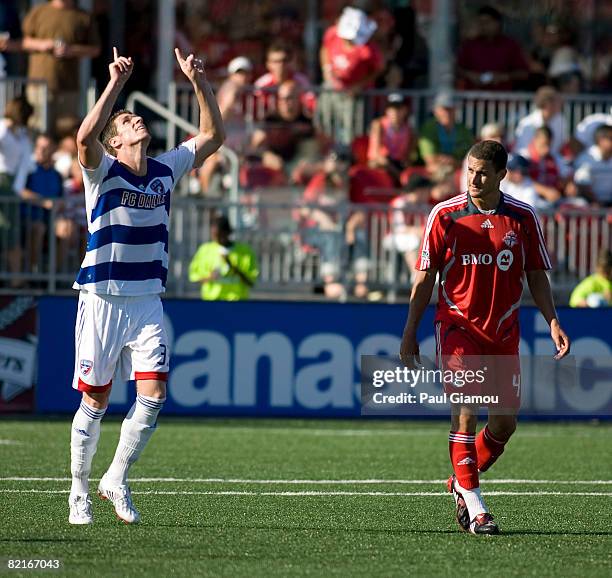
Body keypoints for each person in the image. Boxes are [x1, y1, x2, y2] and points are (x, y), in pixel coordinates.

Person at [68, 46, 224, 525]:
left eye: (137, 117)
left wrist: (198, 80)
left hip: (147, 301)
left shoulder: (165, 169)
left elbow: (214, 136)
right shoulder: (103, 171)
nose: (137, 121)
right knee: (95, 399)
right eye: (128, 121)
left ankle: (115, 477)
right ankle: (78, 492)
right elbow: (83, 136)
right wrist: (114, 83)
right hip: (101, 297)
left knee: (153, 394)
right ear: (114, 142)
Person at [399, 140, 570, 535]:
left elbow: (536, 275)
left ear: (501, 176)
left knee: (505, 424)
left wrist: (553, 321)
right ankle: (477, 509)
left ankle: (460, 479)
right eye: (469, 170)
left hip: (504, 330)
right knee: (466, 409)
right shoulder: (445, 215)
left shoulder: (523, 217)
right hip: (458, 326)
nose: (473, 179)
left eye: (482, 173)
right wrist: (410, 331)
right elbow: (425, 278)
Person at [21, 0, 101, 133]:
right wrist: (42, 45)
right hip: (38, 86)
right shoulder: (39, 11)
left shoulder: (84, 16)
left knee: (66, 132)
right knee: (38, 132)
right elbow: (23, 42)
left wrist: (71, 50)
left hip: (68, 87)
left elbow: (95, 49)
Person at [0, 96, 34, 288]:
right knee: (5, 229)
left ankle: (15, 278)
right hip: (2, 180)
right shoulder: (3, 129)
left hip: (11, 185)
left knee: (11, 231)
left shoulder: (21, 136)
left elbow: (26, 163)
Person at [456, 5, 528, 91]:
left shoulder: (510, 45)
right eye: (480, 23)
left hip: (502, 100)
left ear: (497, 23)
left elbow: (523, 73)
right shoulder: (469, 45)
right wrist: (470, 75)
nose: (483, 26)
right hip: (473, 99)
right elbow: (456, 69)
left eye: (487, 22)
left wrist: (503, 77)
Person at [20, 133, 64, 274]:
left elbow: (61, 198)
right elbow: (20, 191)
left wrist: (59, 205)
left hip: (52, 219)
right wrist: (43, 202)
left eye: (45, 147)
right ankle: (34, 274)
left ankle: (55, 276)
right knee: (39, 228)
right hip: (28, 218)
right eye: (38, 147)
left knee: (67, 229)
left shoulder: (56, 174)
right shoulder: (28, 170)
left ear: (53, 150)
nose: (40, 150)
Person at [188, 215, 258, 301]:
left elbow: (251, 282)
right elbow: (195, 277)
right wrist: (210, 277)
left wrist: (232, 267)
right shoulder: (205, 250)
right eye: (214, 235)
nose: (217, 239)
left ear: (228, 232)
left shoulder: (244, 252)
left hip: (237, 302)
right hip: (211, 301)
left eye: (220, 235)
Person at [418, 91, 474, 181]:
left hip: (458, 169)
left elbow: (470, 159)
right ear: (435, 111)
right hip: (436, 169)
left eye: (450, 109)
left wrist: (454, 162)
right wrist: (450, 161)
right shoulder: (428, 129)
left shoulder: (464, 130)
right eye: (444, 109)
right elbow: (429, 159)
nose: (447, 113)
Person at [367, 93, 416, 184]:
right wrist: (396, 172)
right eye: (392, 108)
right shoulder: (378, 125)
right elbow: (377, 154)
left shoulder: (409, 129)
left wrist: (406, 163)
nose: (395, 112)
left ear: (405, 110)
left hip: (398, 163)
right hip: (381, 161)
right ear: (387, 110)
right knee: (380, 165)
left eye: (399, 108)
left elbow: (408, 155)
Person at [513, 86, 567, 157]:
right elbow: (522, 150)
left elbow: (560, 146)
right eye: (557, 101)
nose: (561, 104)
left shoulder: (560, 120)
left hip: (553, 161)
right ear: (548, 104)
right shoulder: (527, 123)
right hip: (529, 163)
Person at [573, 124, 612, 206]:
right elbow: (582, 186)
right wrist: (597, 204)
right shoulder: (585, 159)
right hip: (591, 206)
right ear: (600, 140)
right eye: (610, 138)